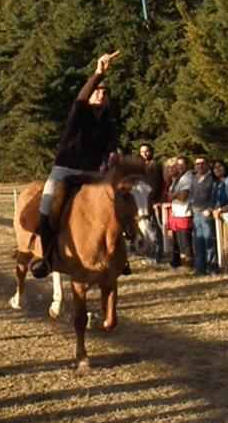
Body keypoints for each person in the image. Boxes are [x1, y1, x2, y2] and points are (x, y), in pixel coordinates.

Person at [31, 51, 121, 279]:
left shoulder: (109, 121)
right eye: (97, 91)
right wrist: (98, 74)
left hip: (92, 173)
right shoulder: (79, 113)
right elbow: (81, 98)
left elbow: (112, 144)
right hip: (66, 169)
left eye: (104, 93)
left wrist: (113, 154)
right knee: (48, 203)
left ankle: (119, 257)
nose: (100, 94)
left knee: (116, 204)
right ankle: (47, 256)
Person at [190, 156, 219, 276]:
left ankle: (212, 268)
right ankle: (200, 269)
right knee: (198, 242)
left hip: (206, 214)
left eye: (202, 163)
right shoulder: (194, 178)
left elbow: (215, 195)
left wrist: (210, 209)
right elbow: (191, 194)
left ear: (207, 165)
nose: (199, 166)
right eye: (197, 164)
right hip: (196, 214)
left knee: (209, 243)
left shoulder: (212, 178)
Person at [139, 144, 165, 264]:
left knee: (154, 229)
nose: (145, 153)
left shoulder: (153, 165)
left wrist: (151, 200)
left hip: (152, 202)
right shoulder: (142, 166)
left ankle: (156, 255)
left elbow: (153, 185)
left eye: (147, 151)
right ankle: (151, 254)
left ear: (151, 152)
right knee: (149, 229)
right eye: (142, 151)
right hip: (144, 202)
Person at [166, 157, 194, 270]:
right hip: (177, 212)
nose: (179, 166)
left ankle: (188, 265)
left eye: (182, 164)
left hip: (184, 213)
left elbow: (183, 196)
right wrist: (175, 194)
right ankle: (180, 263)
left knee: (185, 242)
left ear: (187, 165)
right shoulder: (177, 179)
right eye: (178, 164)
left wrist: (174, 195)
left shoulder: (189, 177)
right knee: (177, 241)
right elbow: (169, 195)